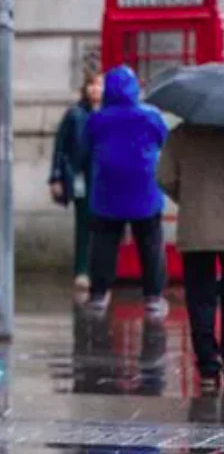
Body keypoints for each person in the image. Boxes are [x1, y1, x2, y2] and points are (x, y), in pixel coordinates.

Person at [82, 65, 169, 318]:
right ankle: (153, 296)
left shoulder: (97, 118)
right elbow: (164, 141)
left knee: (104, 246)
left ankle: (99, 294)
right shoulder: (150, 115)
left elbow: (86, 145)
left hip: (108, 191)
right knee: (151, 245)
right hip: (145, 191)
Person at [157, 123, 224, 393]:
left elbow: (164, 178)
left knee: (200, 297)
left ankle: (208, 365)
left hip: (196, 225)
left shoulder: (181, 134)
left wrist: (188, 199)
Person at [49, 69, 104, 292]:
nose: (94, 89)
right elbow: (60, 147)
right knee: (84, 224)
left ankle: (100, 270)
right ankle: (82, 270)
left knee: (104, 227)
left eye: (98, 84)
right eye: (90, 84)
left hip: (105, 177)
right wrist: (56, 177)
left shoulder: (110, 114)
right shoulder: (74, 114)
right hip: (82, 176)